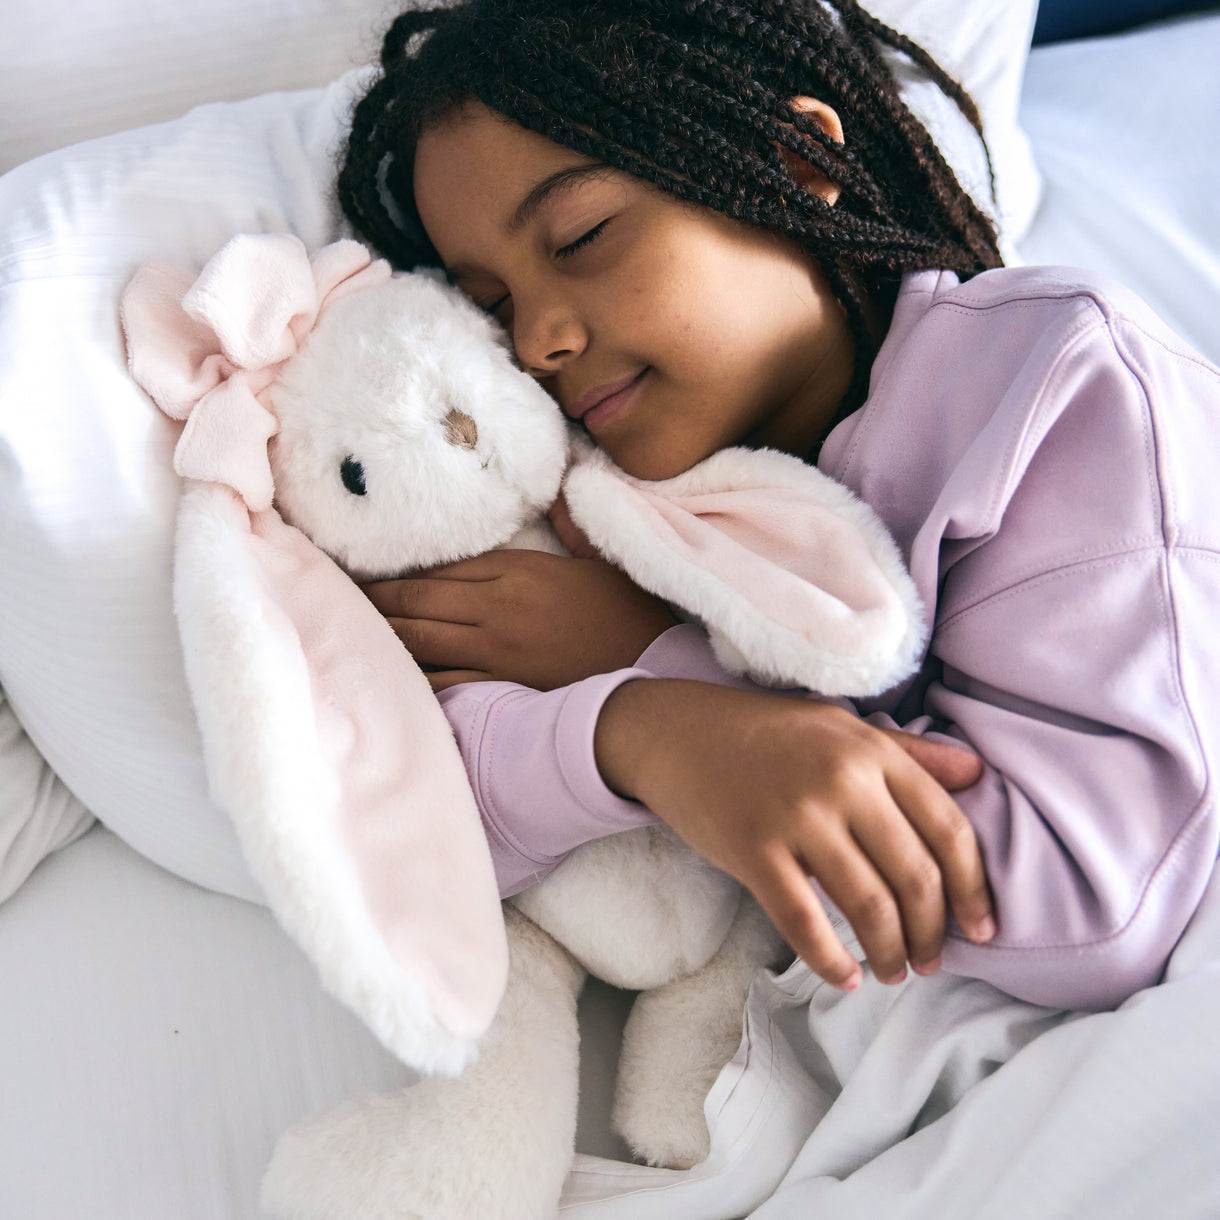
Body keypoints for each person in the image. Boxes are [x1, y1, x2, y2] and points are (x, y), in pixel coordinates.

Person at [339, 0, 1220, 1012]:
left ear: (797, 155)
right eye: (490, 306)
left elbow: (1093, 903)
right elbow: (414, 808)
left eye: (579, 235)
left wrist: (662, 668)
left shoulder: (1052, 388)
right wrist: (638, 730)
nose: (535, 339)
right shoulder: (594, 497)